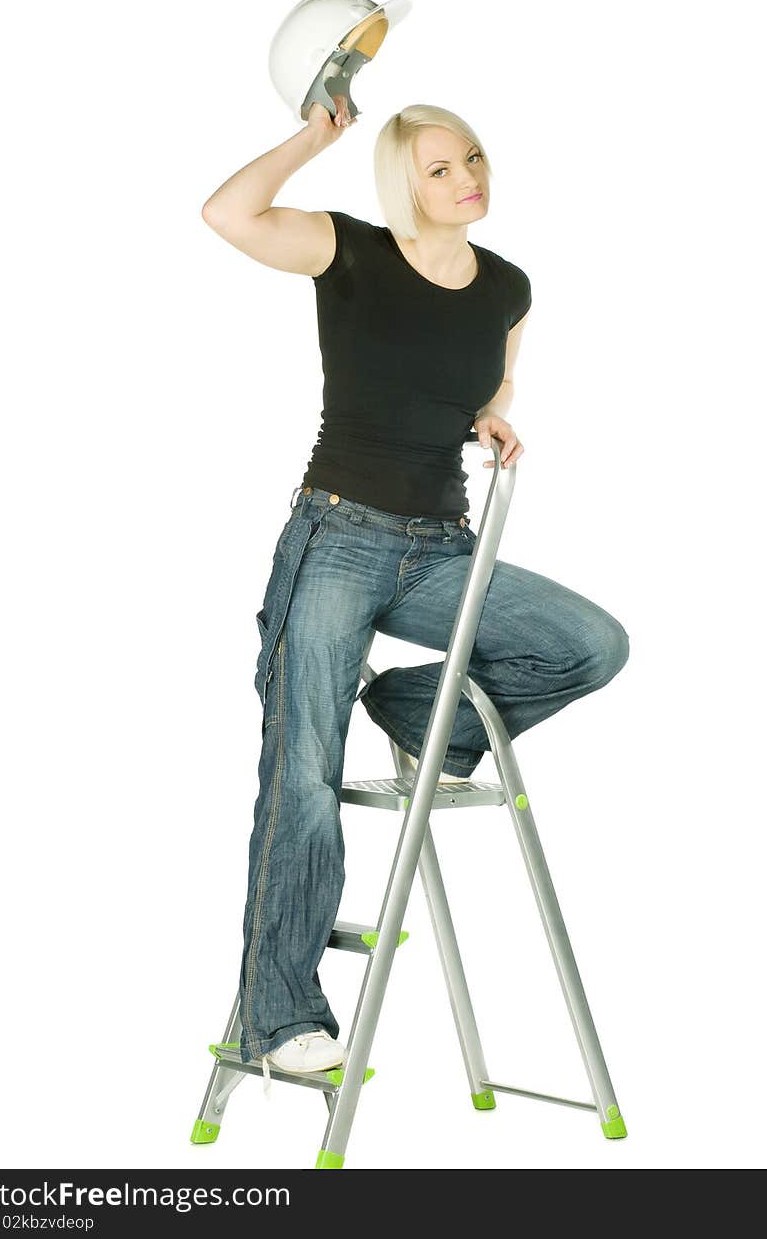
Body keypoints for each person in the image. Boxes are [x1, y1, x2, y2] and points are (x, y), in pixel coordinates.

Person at [201, 102, 630, 1087]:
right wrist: (314, 138)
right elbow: (227, 213)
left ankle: (410, 710)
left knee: (589, 645)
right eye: (439, 168)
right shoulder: (348, 252)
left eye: (472, 158)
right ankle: (282, 1017)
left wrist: (489, 413)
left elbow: (494, 379)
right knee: (302, 776)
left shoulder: (509, 287)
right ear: (403, 184)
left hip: (443, 544)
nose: (466, 176)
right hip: (337, 536)